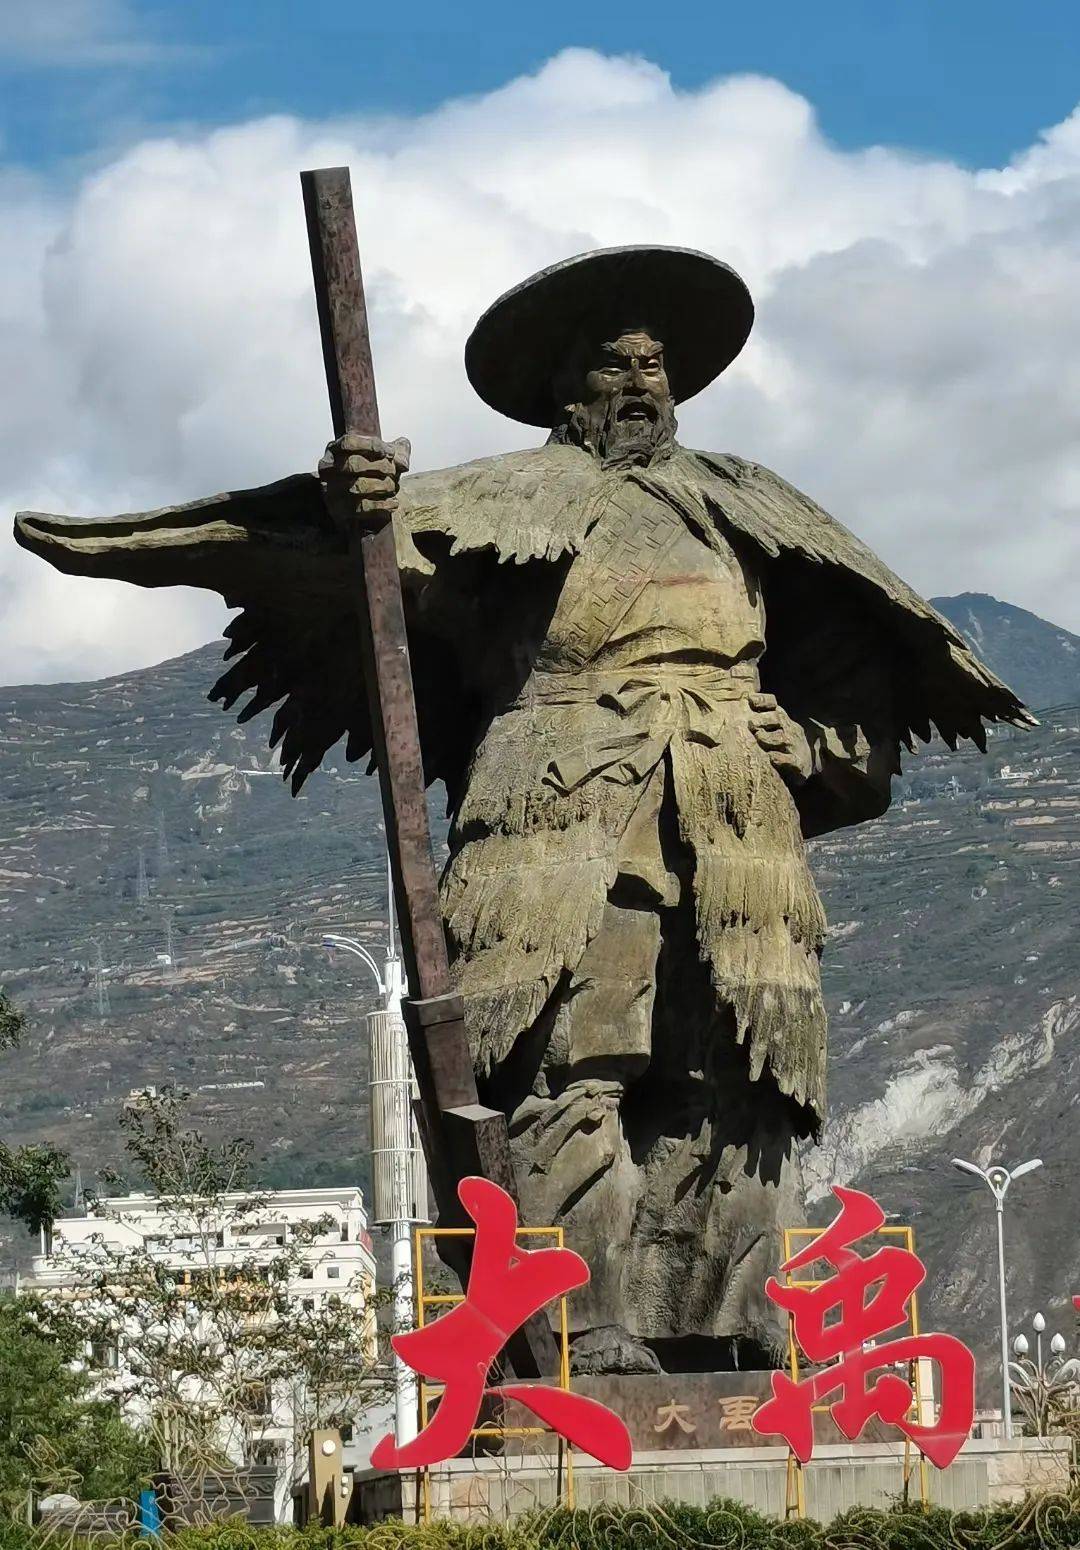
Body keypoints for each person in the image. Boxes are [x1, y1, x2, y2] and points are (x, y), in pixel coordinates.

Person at [16, 245, 1028, 1374]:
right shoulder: (504, 502)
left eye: (654, 363)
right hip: (568, 812)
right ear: (563, 383)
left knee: (733, 1072)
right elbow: (403, 573)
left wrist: (815, 743)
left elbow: (847, 657)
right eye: (611, 362)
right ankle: (577, 1323)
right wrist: (362, 508)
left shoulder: (745, 501)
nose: (638, 382)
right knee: (574, 1064)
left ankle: (729, 1316)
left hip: (735, 826)